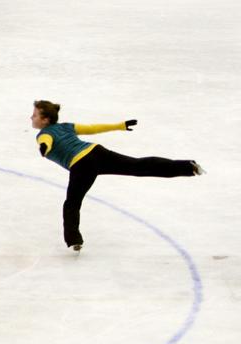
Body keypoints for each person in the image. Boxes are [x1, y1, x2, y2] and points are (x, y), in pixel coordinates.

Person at [30, 100, 203, 251]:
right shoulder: (66, 126)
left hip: (81, 165)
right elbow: (92, 129)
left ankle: (74, 240)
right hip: (97, 152)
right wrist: (119, 125)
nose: (31, 118)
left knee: (72, 204)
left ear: (45, 120)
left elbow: (46, 142)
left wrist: (44, 148)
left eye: (35, 115)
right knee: (138, 165)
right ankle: (188, 167)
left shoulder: (43, 134)